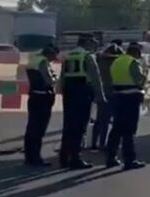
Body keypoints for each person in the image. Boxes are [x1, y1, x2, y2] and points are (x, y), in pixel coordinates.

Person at [60, 36, 107, 169]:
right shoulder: (87, 56)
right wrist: (101, 97)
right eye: (92, 43)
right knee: (80, 126)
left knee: (68, 125)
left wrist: (64, 93)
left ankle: (64, 157)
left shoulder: (69, 56)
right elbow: (96, 78)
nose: (94, 46)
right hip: (83, 92)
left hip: (69, 92)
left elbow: (62, 77)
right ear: (86, 43)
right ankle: (76, 158)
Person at [104, 42, 147, 170]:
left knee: (116, 129)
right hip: (131, 96)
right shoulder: (132, 62)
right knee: (129, 130)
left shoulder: (117, 61)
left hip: (117, 96)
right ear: (137, 53)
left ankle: (111, 157)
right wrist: (145, 77)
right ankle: (129, 159)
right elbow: (139, 80)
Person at [24, 44, 59, 166]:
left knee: (31, 128)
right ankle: (36, 158)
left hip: (33, 95)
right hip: (43, 97)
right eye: (54, 56)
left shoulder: (33, 60)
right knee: (39, 129)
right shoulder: (43, 62)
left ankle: (29, 157)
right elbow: (49, 80)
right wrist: (55, 79)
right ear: (50, 53)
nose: (53, 59)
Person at [92, 40, 123, 151]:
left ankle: (95, 143)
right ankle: (103, 144)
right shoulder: (117, 62)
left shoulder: (99, 61)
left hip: (101, 92)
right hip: (114, 93)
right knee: (112, 120)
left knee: (100, 120)